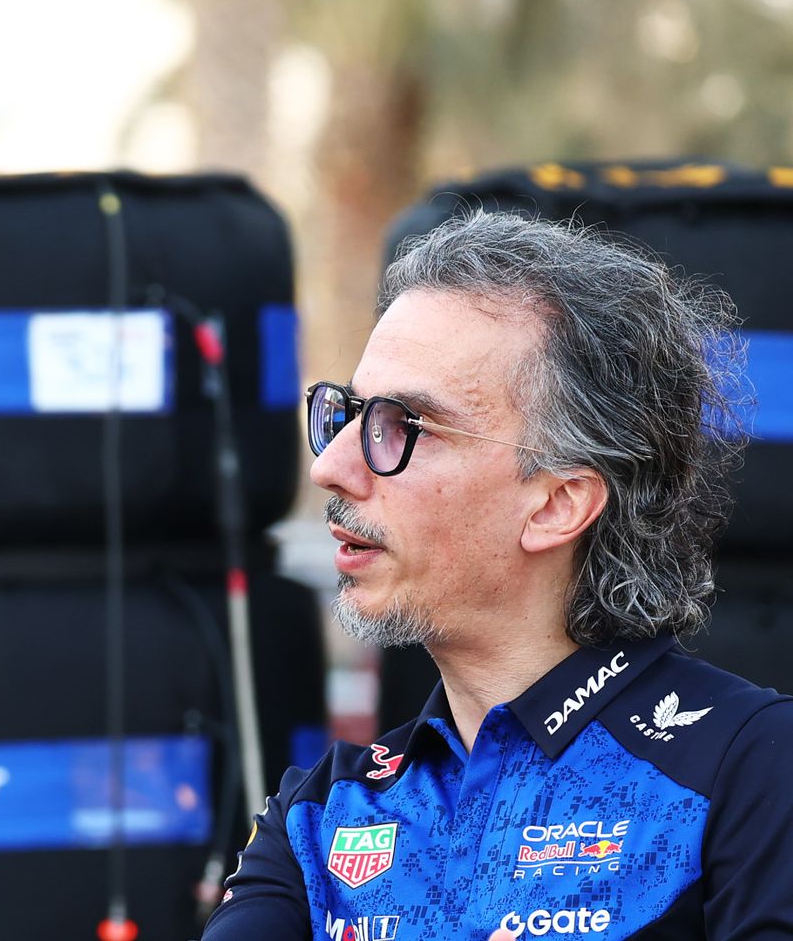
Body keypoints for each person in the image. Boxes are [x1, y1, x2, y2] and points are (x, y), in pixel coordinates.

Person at [201, 212, 793, 941]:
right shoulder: (321, 814)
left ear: (556, 505)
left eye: (406, 426)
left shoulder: (754, 767)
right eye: (347, 415)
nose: (332, 467)